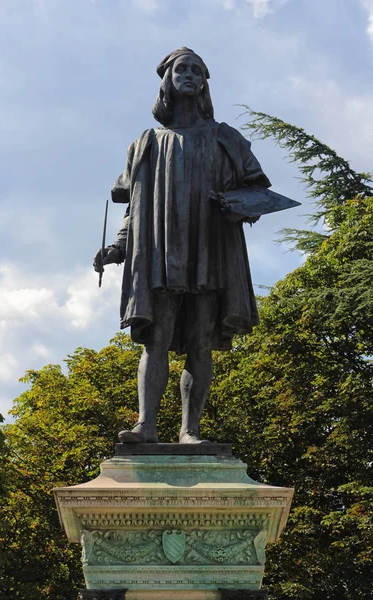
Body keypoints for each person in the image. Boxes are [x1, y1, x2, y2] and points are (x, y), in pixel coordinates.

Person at [93, 47, 271, 444]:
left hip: (210, 249)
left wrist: (238, 207)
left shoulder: (226, 138)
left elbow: (259, 192)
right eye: (182, 69)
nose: (189, 75)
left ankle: (189, 431)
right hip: (159, 253)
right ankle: (146, 425)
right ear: (167, 81)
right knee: (156, 338)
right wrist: (118, 248)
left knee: (200, 340)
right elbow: (135, 209)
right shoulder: (145, 143)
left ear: (205, 82)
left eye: (197, 70)